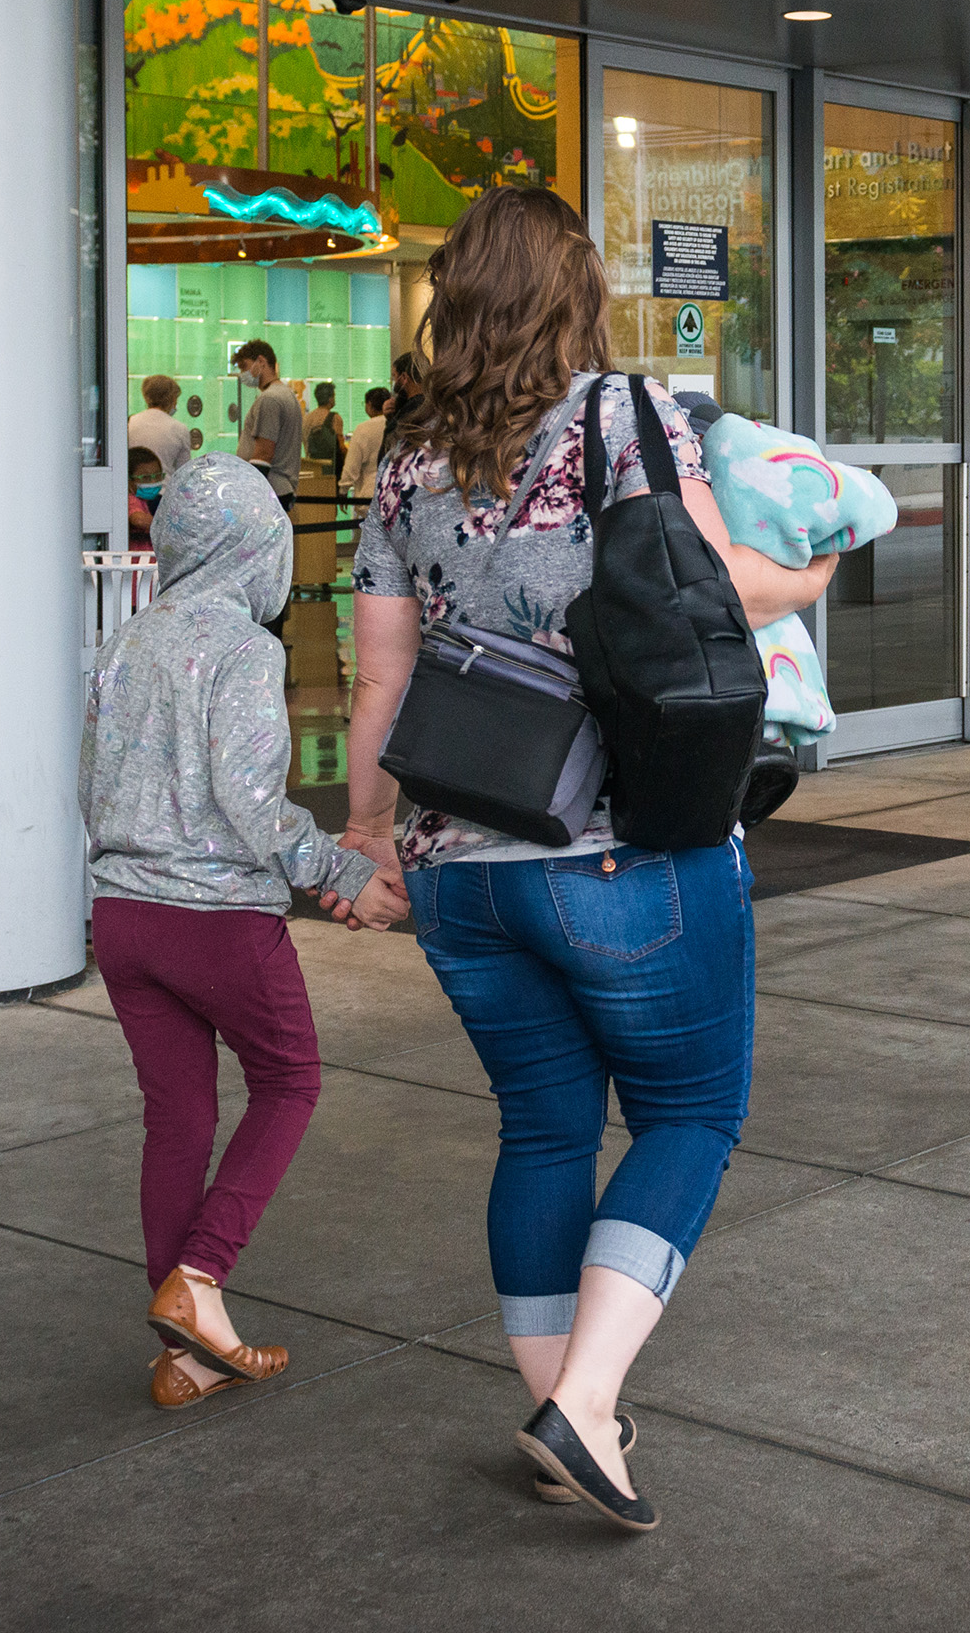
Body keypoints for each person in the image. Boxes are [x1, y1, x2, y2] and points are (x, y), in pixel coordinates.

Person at [340, 187, 833, 1533]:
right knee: (688, 1116)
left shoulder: (402, 454)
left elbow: (377, 681)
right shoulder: (627, 415)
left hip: (456, 861)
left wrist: (369, 840)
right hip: (620, 846)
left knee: (544, 1126)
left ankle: (579, 1416)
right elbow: (717, 584)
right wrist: (815, 574)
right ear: (578, 288)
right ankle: (587, 1402)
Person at [85, 452, 386, 1409]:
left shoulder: (124, 642)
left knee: (176, 1116)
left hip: (122, 918)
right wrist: (343, 872)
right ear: (258, 547)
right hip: (215, 920)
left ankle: (185, 1354)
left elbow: (88, 785)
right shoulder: (245, 651)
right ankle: (202, 1276)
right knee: (290, 1081)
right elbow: (251, 803)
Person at [230, 341, 302, 502]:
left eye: (244, 366)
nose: (243, 373)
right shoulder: (286, 394)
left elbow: (264, 453)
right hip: (280, 488)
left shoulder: (269, 399)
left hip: (269, 490)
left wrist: (248, 493)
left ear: (261, 361)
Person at [126, 373, 193, 481]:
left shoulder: (130, 423)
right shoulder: (180, 429)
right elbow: (183, 473)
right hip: (164, 491)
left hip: (134, 490)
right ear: (171, 399)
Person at [338, 383, 395, 506]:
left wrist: (343, 490)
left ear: (369, 405)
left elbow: (352, 465)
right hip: (394, 492)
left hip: (369, 494)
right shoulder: (398, 424)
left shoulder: (363, 429)